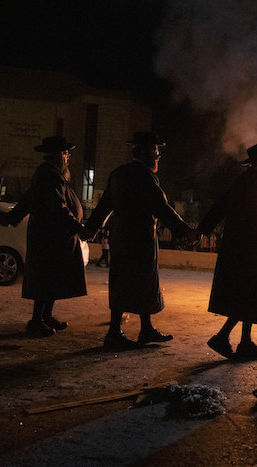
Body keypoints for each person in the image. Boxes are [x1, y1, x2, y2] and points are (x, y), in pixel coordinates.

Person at [83, 132, 197, 350]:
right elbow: (162, 208)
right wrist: (184, 231)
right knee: (143, 280)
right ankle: (116, 333)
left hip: (121, 236)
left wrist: (91, 229)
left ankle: (142, 329)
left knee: (124, 281)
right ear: (144, 152)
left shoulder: (118, 174)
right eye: (155, 151)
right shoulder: (145, 176)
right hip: (141, 237)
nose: (158, 156)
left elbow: (105, 205)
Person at [198, 141, 257, 360]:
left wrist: (201, 229)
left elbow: (220, 206)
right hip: (246, 251)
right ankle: (223, 337)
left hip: (242, 249)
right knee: (246, 296)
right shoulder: (251, 183)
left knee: (249, 296)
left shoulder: (246, 181)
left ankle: (245, 342)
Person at [0, 136, 87, 337]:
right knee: (46, 279)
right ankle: (36, 321)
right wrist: (77, 227)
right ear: (58, 155)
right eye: (66, 153)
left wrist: (12, 217)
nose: (68, 157)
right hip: (49, 238)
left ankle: (45, 317)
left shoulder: (50, 174)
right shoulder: (49, 176)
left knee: (53, 279)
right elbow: (59, 207)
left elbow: (27, 200)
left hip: (55, 237)